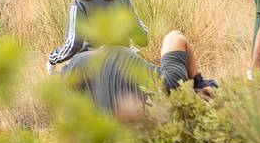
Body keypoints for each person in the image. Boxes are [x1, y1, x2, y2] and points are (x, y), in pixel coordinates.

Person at [64, 31, 216, 120]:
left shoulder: (78, 65)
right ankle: (200, 84)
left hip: (132, 120)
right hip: (164, 87)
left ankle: (197, 89)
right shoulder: (114, 51)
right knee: (174, 36)